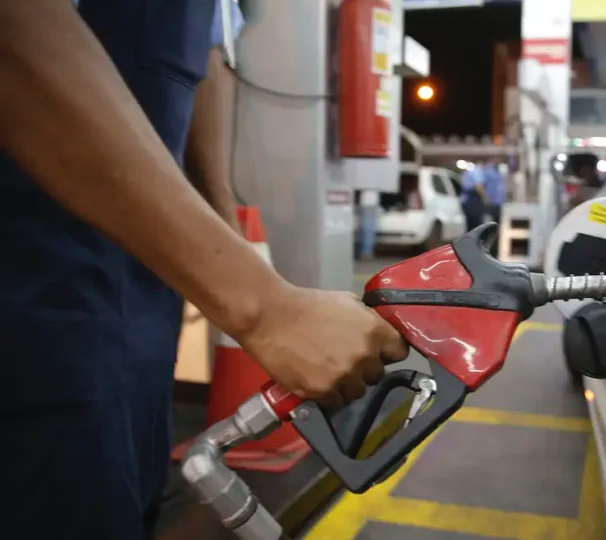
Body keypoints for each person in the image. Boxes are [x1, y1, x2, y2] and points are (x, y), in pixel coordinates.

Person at [0, 2, 408, 539]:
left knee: (127, 498)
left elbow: (204, 55)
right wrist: (265, 309)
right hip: (31, 283)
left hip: (143, 294)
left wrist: (222, 222)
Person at [481, 161, 506, 257]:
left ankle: (493, 252)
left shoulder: (499, 171)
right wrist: (486, 200)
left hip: (499, 204)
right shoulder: (487, 171)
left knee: (497, 229)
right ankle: (484, 251)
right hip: (490, 204)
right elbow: (481, 186)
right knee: (489, 229)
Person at [459, 161, 487, 232]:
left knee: (469, 225)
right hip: (473, 199)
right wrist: (485, 198)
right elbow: (478, 186)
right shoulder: (477, 171)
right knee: (476, 226)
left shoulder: (467, 172)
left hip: (466, 199)